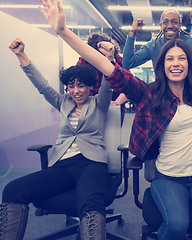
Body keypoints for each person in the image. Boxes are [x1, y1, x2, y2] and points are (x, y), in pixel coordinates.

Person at [39, 1, 192, 239]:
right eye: (170, 59)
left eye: (182, 58)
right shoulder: (149, 93)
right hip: (168, 176)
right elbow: (107, 67)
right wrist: (63, 32)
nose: (176, 63)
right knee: (176, 227)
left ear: (189, 64)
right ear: (162, 65)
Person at [1, 38, 112, 240]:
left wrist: (109, 58)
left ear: (89, 87)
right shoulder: (63, 102)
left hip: (92, 164)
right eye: (71, 86)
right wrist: (21, 55)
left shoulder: (99, 103)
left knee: (90, 203)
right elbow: (41, 85)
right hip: (62, 165)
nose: (76, 90)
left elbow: (108, 83)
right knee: (12, 190)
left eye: (81, 86)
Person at [122, 9, 192, 79]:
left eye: (174, 22)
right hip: (162, 98)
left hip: (185, 98)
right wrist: (132, 33)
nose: (170, 26)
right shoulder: (153, 45)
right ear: (161, 25)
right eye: (165, 22)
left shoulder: (191, 45)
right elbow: (128, 63)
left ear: (180, 25)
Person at [77, 32, 128, 125]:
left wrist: (117, 102)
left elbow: (128, 85)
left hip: (114, 104)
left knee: (112, 136)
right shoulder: (84, 61)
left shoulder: (119, 61)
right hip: (91, 104)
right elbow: (76, 82)